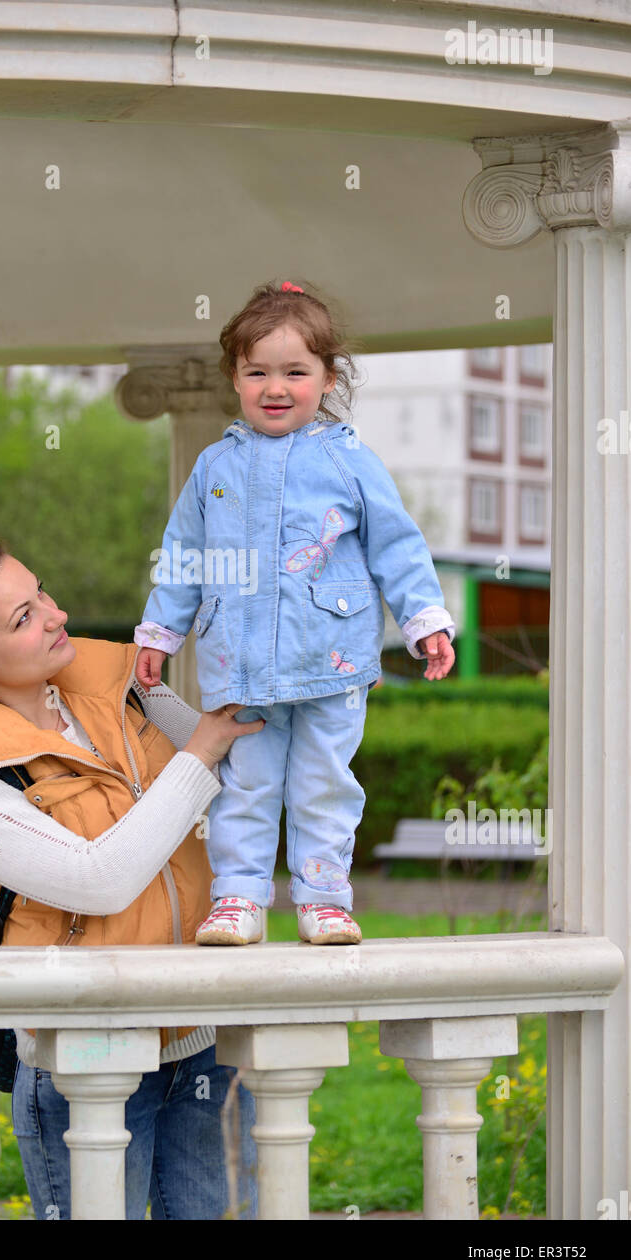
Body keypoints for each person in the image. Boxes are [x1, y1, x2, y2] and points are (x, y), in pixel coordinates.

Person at [0, 538, 264, 1220]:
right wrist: (200, 754)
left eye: (42, 594)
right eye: (23, 617)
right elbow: (97, 879)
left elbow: (244, 767)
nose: (56, 614)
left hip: (205, 1043)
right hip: (85, 1060)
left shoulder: (117, 694)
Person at [134, 279, 456, 947]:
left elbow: (395, 542)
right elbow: (184, 554)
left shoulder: (347, 459)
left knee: (323, 786)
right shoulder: (213, 467)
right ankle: (238, 901)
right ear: (234, 376)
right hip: (239, 665)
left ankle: (324, 900)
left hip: (329, 661)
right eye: (257, 372)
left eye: (294, 372)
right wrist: (159, 633)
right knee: (243, 787)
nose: (274, 387)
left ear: (326, 377)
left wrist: (424, 618)